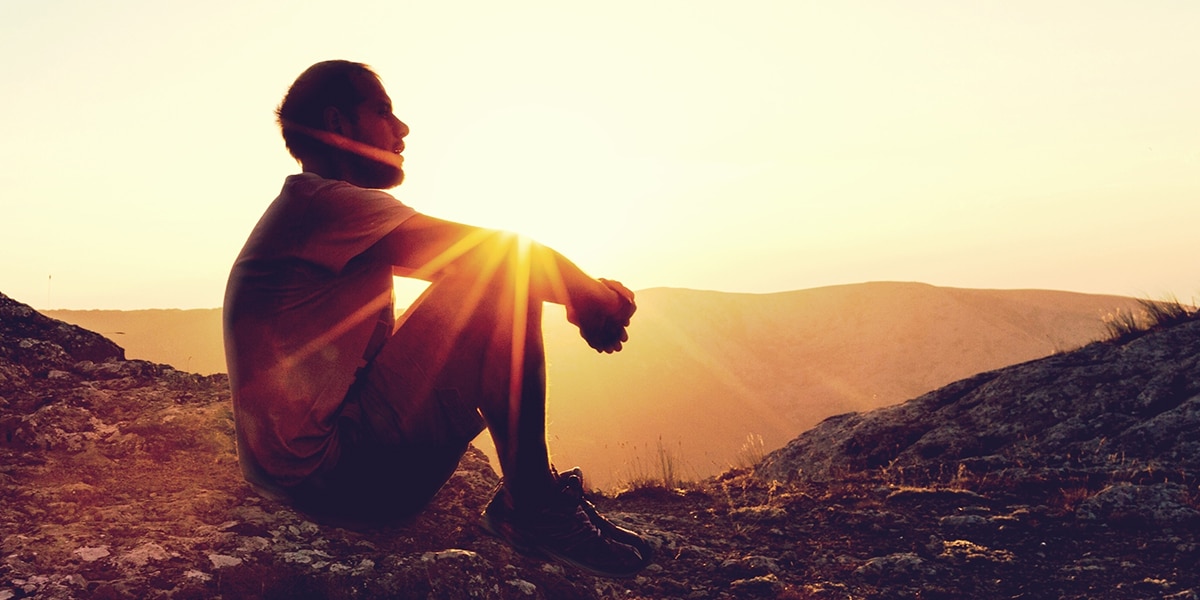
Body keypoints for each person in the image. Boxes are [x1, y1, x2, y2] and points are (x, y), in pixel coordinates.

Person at [222, 60, 651, 578]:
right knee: (497, 281)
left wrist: (582, 297)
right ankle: (532, 505)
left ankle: (532, 497)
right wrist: (593, 300)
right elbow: (499, 254)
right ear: (337, 124)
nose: (402, 128)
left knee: (487, 281)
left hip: (300, 474)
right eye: (382, 111)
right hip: (333, 478)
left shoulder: (315, 210)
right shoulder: (323, 203)